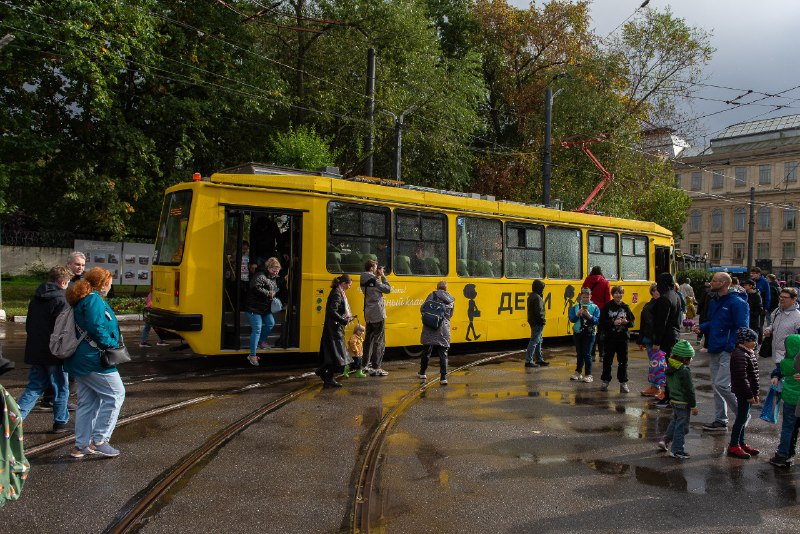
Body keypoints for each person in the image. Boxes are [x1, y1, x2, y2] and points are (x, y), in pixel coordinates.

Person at [65, 267, 126, 458]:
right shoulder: (93, 300)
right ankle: (100, 440)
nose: (110, 286)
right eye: (109, 283)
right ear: (103, 284)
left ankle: (81, 446)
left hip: (82, 359)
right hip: (94, 358)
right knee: (116, 394)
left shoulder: (85, 298)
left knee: (87, 403)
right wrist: (112, 344)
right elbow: (96, 326)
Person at [15, 266, 73, 432]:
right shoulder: (62, 300)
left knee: (34, 386)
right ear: (63, 282)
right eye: (67, 283)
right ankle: (61, 421)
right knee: (61, 386)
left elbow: (29, 325)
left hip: (36, 350)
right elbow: (63, 330)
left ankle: (13, 420)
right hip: (54, 353)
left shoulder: (36, 299)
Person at [692, 272, 749, 432]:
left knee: (722, 384)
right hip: (715, 346)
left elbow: (742, 327)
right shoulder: (715, 300)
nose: (711, 283)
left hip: (726, 349)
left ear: (724, 283)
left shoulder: (737, 302)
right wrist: (702, 327)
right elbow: (715, 321)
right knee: (716, 386)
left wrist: (731, 347)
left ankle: (743, 413)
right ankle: (720, 420)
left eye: (715, 281)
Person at [657, 340, 698, 459]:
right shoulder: (684, 371)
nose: (691, 360)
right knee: (682, 427)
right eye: (690, 358)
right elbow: (689, 390)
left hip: (674, 401)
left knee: (675, 421)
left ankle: (665, 440)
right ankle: (677, 450)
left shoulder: (671, 367)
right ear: (685, 359)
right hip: (683, 402)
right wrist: (693, 406)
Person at [727, 327, 761, 459]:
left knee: (744, 417)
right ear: (744, 341)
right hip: (743, 392)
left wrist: (755, 392)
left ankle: (741, 443)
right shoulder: (740, 354)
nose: (755, 342)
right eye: (752, 340)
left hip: (748, 392)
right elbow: (742, 377)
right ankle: (734, 445)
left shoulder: (748, 353)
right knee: (741, 418)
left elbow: (753, 376)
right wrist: (749, 395)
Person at [316, 274, 355, 388]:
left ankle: (323, 372)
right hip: (334, 329)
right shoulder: (337, 294)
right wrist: (343, 320)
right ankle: (327, 376)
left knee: (333, 353)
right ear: (344, 283)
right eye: (349, 285)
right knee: (337, 355)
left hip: (333, 327)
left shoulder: (337, 292)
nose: (349, 287)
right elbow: (332, 311)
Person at [769, 334, 800, 467]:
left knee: (788, 428)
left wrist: (775, 375)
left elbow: (778, 371)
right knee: (794, 428)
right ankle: (789, 453)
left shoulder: (785, 363)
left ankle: (783, 454)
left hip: (790, 400)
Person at [244, 257, 282, 366]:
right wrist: (268, 293)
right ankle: (252, 355)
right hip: (253, 308)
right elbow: (254, 286)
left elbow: (273, 287)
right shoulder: (260, 275)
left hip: (264, 308)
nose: (276, 271)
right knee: (257, 329)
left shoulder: (273, 277)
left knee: (270, 323)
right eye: (274, 269)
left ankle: (261, 341)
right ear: (268, 268)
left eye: (277, 269)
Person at [418, 280, 455, 385]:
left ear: (437, 287)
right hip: (443, 329)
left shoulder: (432, 295)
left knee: (426, 351)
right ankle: (443, 377)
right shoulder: (451, 299)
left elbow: (422, 308)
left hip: (430, 326)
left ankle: (422, 372)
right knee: (443, 353)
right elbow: (450, 315)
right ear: (446, 288)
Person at [599, 285, 634, 393]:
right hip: (610, 338)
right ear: (612, 294)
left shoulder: (626, 307)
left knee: (623, 361)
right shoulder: (607, 307)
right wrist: (613, 323)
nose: (618, 295)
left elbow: (632, 322)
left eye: (620, 293)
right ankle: (605, 381)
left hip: (623, 338)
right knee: (607, 360)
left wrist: (626, 322)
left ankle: (623, 383)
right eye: (616, 293)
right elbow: (601, 322)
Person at [360, 260, 392, 376]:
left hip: (368, 312)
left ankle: (364, 364)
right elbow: (388, 289)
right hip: (378, 313)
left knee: (368, 339)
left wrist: (376, 276)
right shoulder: (375, 280)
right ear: (372, 268)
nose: (377, 269)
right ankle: (376, 367)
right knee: (379, 340)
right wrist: (383, 276)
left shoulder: (363, 278)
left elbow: (372, 284)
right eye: (376, 267)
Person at [568, 287, 600, 383]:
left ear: (590, 296)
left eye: (587, 297)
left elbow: (597, 320)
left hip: (590, 333)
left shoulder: (595, 307)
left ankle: (589, 374)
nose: (585, 299)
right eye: (584, 297)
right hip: (578, 332)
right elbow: (572, 319)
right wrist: (578, 314)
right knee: (579, 353)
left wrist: (589, 315)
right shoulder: (576, 306)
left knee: (587, 354)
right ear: (580, 297)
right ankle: (578, 372)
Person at [763, 286, 800, 364]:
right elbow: (772, 324)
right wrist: (769, 329)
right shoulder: (777, 311)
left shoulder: (798, 316)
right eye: (781, 296)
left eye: (785, 297)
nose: (782, 299)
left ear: (793, 299)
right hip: (775, 354)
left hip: (789, 358)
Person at [582, 266, 611, 362]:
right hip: (601, 310)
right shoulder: (605, 283)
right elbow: (607, 300)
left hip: (590, 309)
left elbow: (583, 294)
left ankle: (592, 354)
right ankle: (602, 355)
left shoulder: (587, 281)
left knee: (591, 332)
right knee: (601, 333)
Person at [525, 280, 548, 368]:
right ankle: (529, 360)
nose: (542, 290)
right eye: (542, 288)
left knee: (538, 340)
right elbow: (539, 311)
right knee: (535, 340)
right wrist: (543, 320)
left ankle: (539, 359)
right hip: (538, 322)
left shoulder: (531, 296)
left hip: (533, 321)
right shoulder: (537, 297)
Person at [741, 279, 764, 343]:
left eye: (746, 285)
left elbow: (759, 307)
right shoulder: (745, 294)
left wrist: (753, 314)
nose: (744, 286)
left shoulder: (756, 295)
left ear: (751, 286)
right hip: (747, 316)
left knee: (754, 331)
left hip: (753, 317)